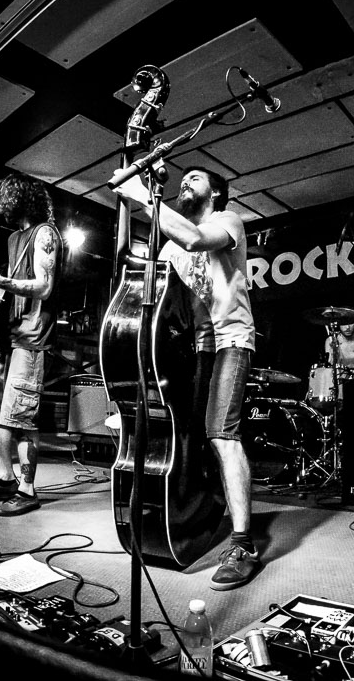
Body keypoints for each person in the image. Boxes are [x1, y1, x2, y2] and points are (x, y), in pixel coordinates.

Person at [114, 165, 261, 591]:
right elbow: (132, 269)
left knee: (221, 433)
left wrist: (144, 196)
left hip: (231, 339)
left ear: (215, 192)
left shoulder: (227, 221)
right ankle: (197, 510)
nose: (186, 182)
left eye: (196, 179)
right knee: (186, 435)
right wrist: (125, 207)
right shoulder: (169, 244)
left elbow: (195, 239)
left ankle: (244, 545)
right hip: (193, 348)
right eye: (185, 179)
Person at [0, 172, 61, 517]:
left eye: (4, 197)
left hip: (31, 338)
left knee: (20, 419)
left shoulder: (45, 233)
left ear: (20, 199)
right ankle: (5, 478)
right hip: (6, 335)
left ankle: (27, 489)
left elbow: (43, 287)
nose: (0, 204)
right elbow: (10, 290)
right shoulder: (13, 239)